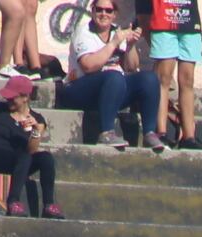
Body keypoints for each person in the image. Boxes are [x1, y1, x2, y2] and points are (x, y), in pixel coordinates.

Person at [63, 0, 165, 152]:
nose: (103, 14)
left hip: (112, 89)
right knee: (113, 76)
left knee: (149, 79)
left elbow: (131, 67)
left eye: (108, 11)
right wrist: (113, 44)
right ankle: (107, 132)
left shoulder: (117, 31)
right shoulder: (84, 32)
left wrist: (130, 46)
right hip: (81, 88)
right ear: (92, 10)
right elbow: (89, 66)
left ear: (114, 14)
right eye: (99, 10)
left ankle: (149, 132)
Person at [0, 73, 58, 216]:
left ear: (25, 97)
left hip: (19, 162)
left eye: (12, 97)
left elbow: (32, 150)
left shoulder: (37, 119)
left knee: (45, 158)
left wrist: (36, 130)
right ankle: (13, 201)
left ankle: (49, 205)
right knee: (24, 157)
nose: (8, 100)